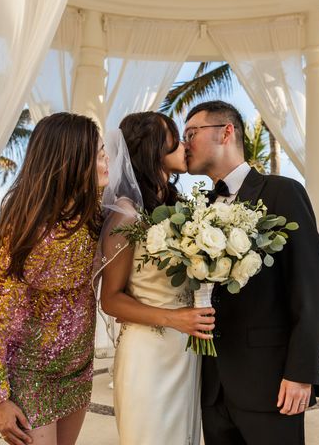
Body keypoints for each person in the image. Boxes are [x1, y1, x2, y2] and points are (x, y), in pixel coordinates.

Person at [183, 100, 319, 445]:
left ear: (226, 132)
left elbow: (310, 289)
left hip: (270, 381)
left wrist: (301, 373)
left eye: (191, 133)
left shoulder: (283, 193)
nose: (184, 143)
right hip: (213, 386)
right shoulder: (198, 207)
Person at [0, 112, 109, 445]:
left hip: (77, 371)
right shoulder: (29, 228)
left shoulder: (94, 216)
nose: (107, 160)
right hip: (30, 375)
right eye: (100, 153)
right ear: (72, 159)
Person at [98, 111, 215, 445]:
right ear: (152, 150)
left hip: (185, 352)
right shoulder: (126, 213)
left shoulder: (177, 207)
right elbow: (111, 300)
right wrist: (176, 319)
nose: (185, 146)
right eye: (175, 139)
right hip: (148, 355)